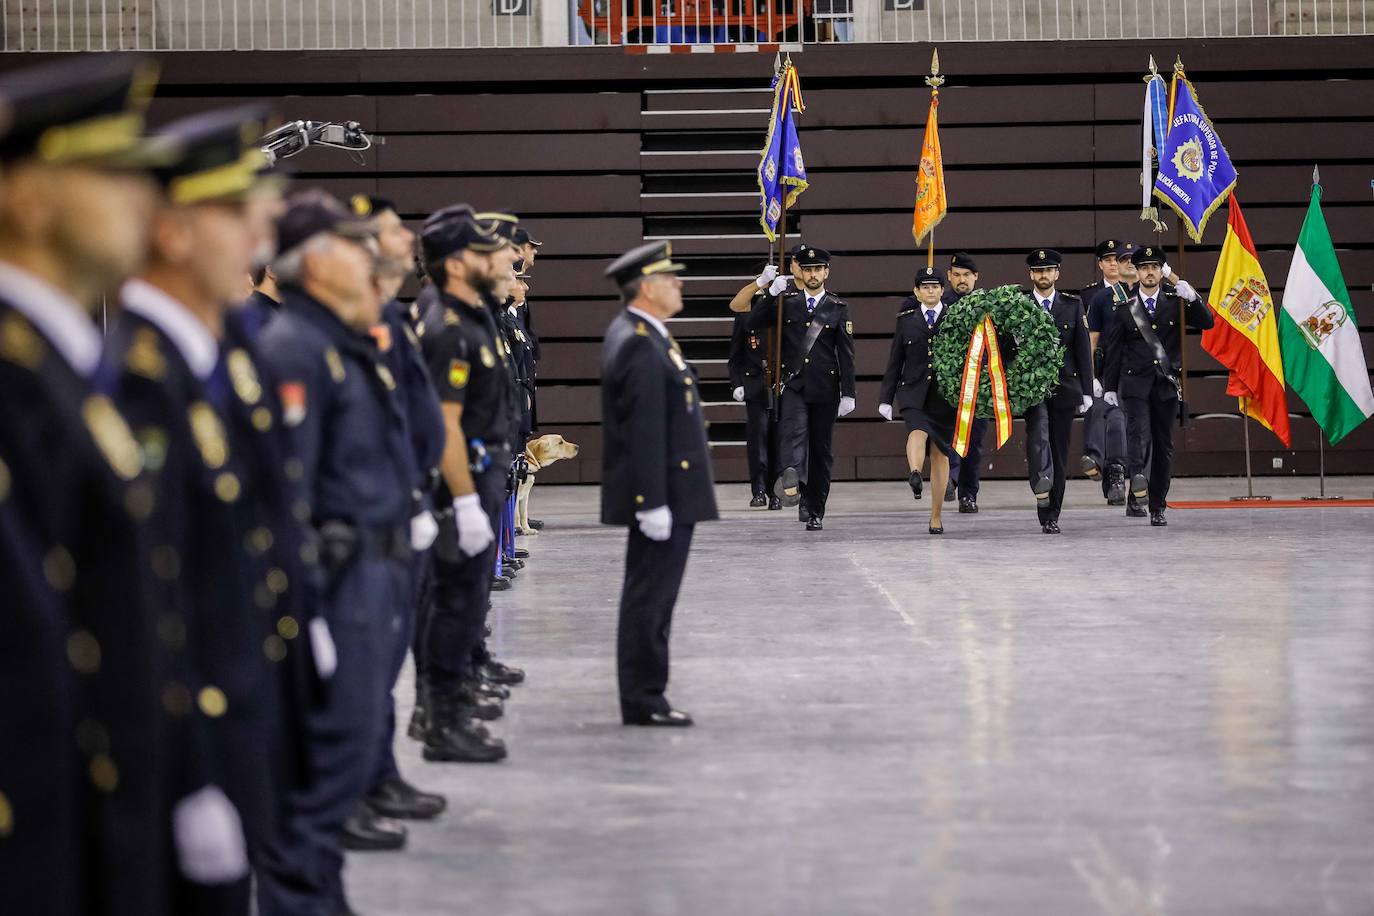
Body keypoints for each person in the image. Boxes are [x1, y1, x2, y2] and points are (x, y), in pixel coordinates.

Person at [0, 54, 224, 916]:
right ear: (30, 198)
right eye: (111, 175)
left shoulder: (60, 368)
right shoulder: (19, 377)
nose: (146, 201)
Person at [107, 104, 296, 914]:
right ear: (174, 233)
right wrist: (191, 771)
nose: (258, 241)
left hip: (239, 708)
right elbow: (141, 600)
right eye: (235, 216)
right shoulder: (139, 383)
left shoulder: (220, 354)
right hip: (187, 736)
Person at [254, 190, 415, 916]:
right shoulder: (295, 348)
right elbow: (286, 498)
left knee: (343, 766)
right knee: (316, 789)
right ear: (317, 263)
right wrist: (307, 611)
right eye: (356, 248)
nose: (373, 260)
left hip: (371, 574)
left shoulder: (341, 340)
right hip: (335, 586)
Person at [346, 194, 450, 832]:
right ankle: (351, 792)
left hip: (401, 508)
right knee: (359, 672)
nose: (404, 236)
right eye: (388, 231)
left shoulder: (386, 314)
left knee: (381, 665)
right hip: (359, 529)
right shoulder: (327, 332)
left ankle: (378, 776)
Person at [415, 204, 519, 764]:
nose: (499, 259)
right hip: (463, 483)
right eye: (483, 252)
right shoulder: (447, 326)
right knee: (453, 604)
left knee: (463, 601)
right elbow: (445, 422)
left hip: (481, 475)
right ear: (457, 263)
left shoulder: (471, 313)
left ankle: (451, 704)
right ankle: (441, 720)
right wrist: (463, 501)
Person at [601, 240, 717, 725]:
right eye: (671, 278)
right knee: (651, 598)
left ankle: (645, 693)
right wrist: (651, 501)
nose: (680, 284)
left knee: (652, 597)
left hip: (670, 490)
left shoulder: (645, 333)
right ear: (648, 288)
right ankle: (645, 698)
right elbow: (644, 428)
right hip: (663, 494)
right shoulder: (641, 343)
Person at [743, 246, 855, 530]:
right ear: (800, 273)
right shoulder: (787, 302)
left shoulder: (837, 308)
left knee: (821, 451)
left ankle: (813, 508)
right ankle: (791, 475)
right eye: (808, 269)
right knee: (791, 431)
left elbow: (846, 353)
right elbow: (753, 323)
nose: (813, 274)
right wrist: (769, 293)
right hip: (793, 384)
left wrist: (849, 392)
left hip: (826, 388)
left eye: (818, 269)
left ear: (826, 272)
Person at [1102, 245, 1214, 527]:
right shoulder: (1125, 308)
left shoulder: (1174, 301)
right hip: (1135, 383)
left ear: (1161, 272)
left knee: (1163, 446)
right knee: (1138, 433)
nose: (1149, 272)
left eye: (1155, 267)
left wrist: (1193, 298)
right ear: (1137, 272)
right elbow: (1114, 349)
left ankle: (1157, 505)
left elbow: (1207, 323)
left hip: (1164, 384)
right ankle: (1138, 476)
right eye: (1144, 268)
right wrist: (1110, 387)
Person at [878, 266, 956, 534]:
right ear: (917, 291)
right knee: (917, 431)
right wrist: (885, 399)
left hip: (945, 396)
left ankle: (936, 516)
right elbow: (895, 360)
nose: (931, 291)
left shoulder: (956, 318)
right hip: (913, 391)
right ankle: (914, 471)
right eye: (925, 287)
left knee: (940, 454)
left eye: (935, 286)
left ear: (943, 291)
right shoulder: (906, 319)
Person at [1022, 248, 1095, 534]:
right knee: (1037, 440)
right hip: (1031, 389)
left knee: (1059, 451)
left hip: (1064, 388)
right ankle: (1041, 491)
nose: (1043, 275)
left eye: (1048, 270)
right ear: (1031, 274)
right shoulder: (1019, 304)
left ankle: (1052, 513)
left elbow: (1081, 350)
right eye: (1038, 271)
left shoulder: (1072, 305)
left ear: (1057, 274)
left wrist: (1087, 391)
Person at [1084, 242, 1133, 505]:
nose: (1116, 264)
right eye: (1111, 260)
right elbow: (1092, 340)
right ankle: (1110, 472)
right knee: (1109, 417)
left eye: (1122, 260)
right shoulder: (1099, 297)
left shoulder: (1148, 293)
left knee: (1121, 423)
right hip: (1107, 369)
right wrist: (1090, 376)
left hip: (1139, 370)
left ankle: (1120, 474)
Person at [728, 273, 778, 510]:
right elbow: (735, 355)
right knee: (757, 439)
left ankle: (776, 491)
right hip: (755, 383)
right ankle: (758, 490)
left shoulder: (782, 309)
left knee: (778, 439)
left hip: (780, 384)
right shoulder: (745, 312)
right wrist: (737, 383)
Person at [941, 251, 987, 513]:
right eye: (956, 275)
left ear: (975, 277)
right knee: (949, 436)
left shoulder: (988, 306)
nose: (961, 280)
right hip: (949, 386)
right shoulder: (941, 304)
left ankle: (968, 495)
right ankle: (950, 479)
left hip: (979, 386)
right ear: (948, 276)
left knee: (974, 443)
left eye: (966, 275)